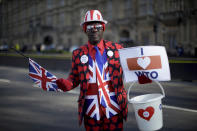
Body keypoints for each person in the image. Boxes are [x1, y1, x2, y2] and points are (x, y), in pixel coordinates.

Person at [56, 10, 128, 131]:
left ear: (103, 28)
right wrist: (66, 85)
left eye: (98, 26)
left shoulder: (118, 49)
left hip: (114, 108)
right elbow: (74, 78)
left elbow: (130, 71)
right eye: (90, 26)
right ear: (85, 29)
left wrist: (142, 77)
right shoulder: (78, 53)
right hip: (91, 111)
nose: (94, 29)